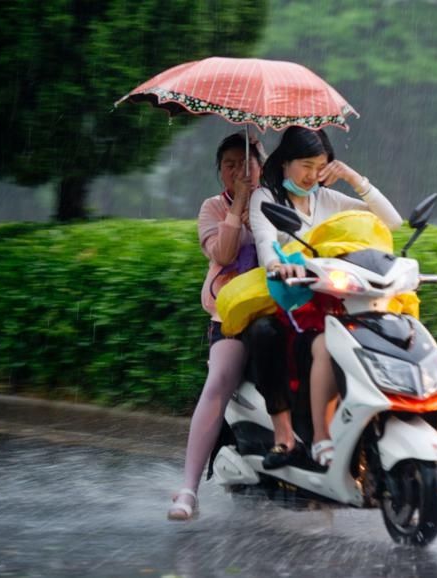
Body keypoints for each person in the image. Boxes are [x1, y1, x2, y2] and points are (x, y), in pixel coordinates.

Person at [250, 126, 402, 468]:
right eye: (306, 165)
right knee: (322, 344)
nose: (313, 175)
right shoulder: (267, 197)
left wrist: (352, 177)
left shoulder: (328, 198)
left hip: (339, 297)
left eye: (321, 166)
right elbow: (265, 244)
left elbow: (390, 223)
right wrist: (279, 265)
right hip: (294, 298)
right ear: (285, 163)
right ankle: (318, 436)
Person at [168, 132, 266, 521]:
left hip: (281, 312)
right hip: (231, 316)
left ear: (263, 165)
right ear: (219, 172)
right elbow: (223, 254)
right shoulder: (212, 208)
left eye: (248, 163)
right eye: (230, 164)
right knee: (219, 380)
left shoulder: (276, 201)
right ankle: (189, 488)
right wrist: (238, 204)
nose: (240, 170)